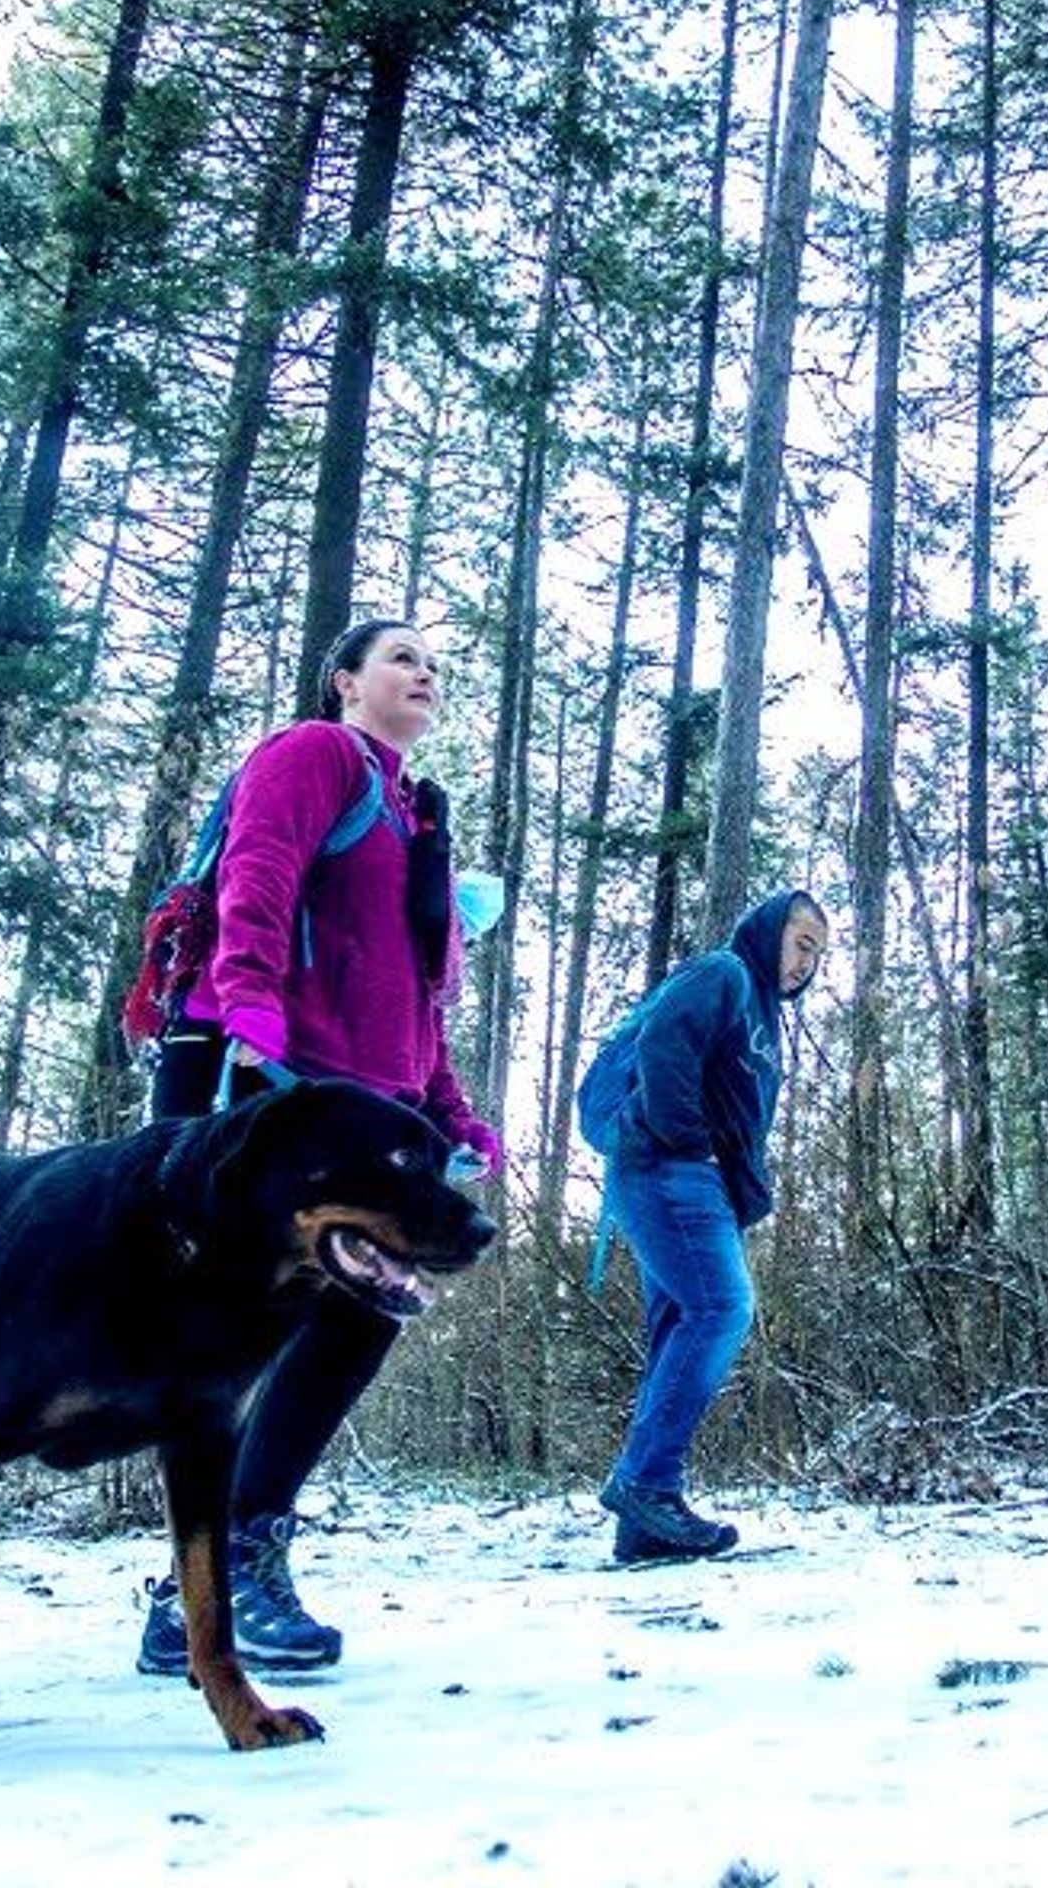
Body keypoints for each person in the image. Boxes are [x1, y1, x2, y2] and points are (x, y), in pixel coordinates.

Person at [137, 618, 502, 1678]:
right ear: (343, 680)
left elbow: (417, 992)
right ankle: (214, 1578)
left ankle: (220, 1569)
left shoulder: (416, 812)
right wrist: (249, 1005)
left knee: (365, 1313)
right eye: (401, 657)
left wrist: (448, 1108)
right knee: (229, 1329)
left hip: (369, 1102)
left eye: (435, 663)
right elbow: (260, 871)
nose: (425, 672)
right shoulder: (315, 754)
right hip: (271, 1082)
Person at [585, 888, 828, 1564]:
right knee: (722, 1307)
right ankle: (642, 1484)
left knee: (677, 1327)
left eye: (819, 956)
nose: (808, 963)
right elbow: (667, 1044)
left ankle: (645, 1525)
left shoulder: (764, 1018)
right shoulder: (722, 973)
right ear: (769, 931)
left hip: (695, 1176)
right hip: (666, 1164)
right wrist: (685, 1144)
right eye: (802, 943)